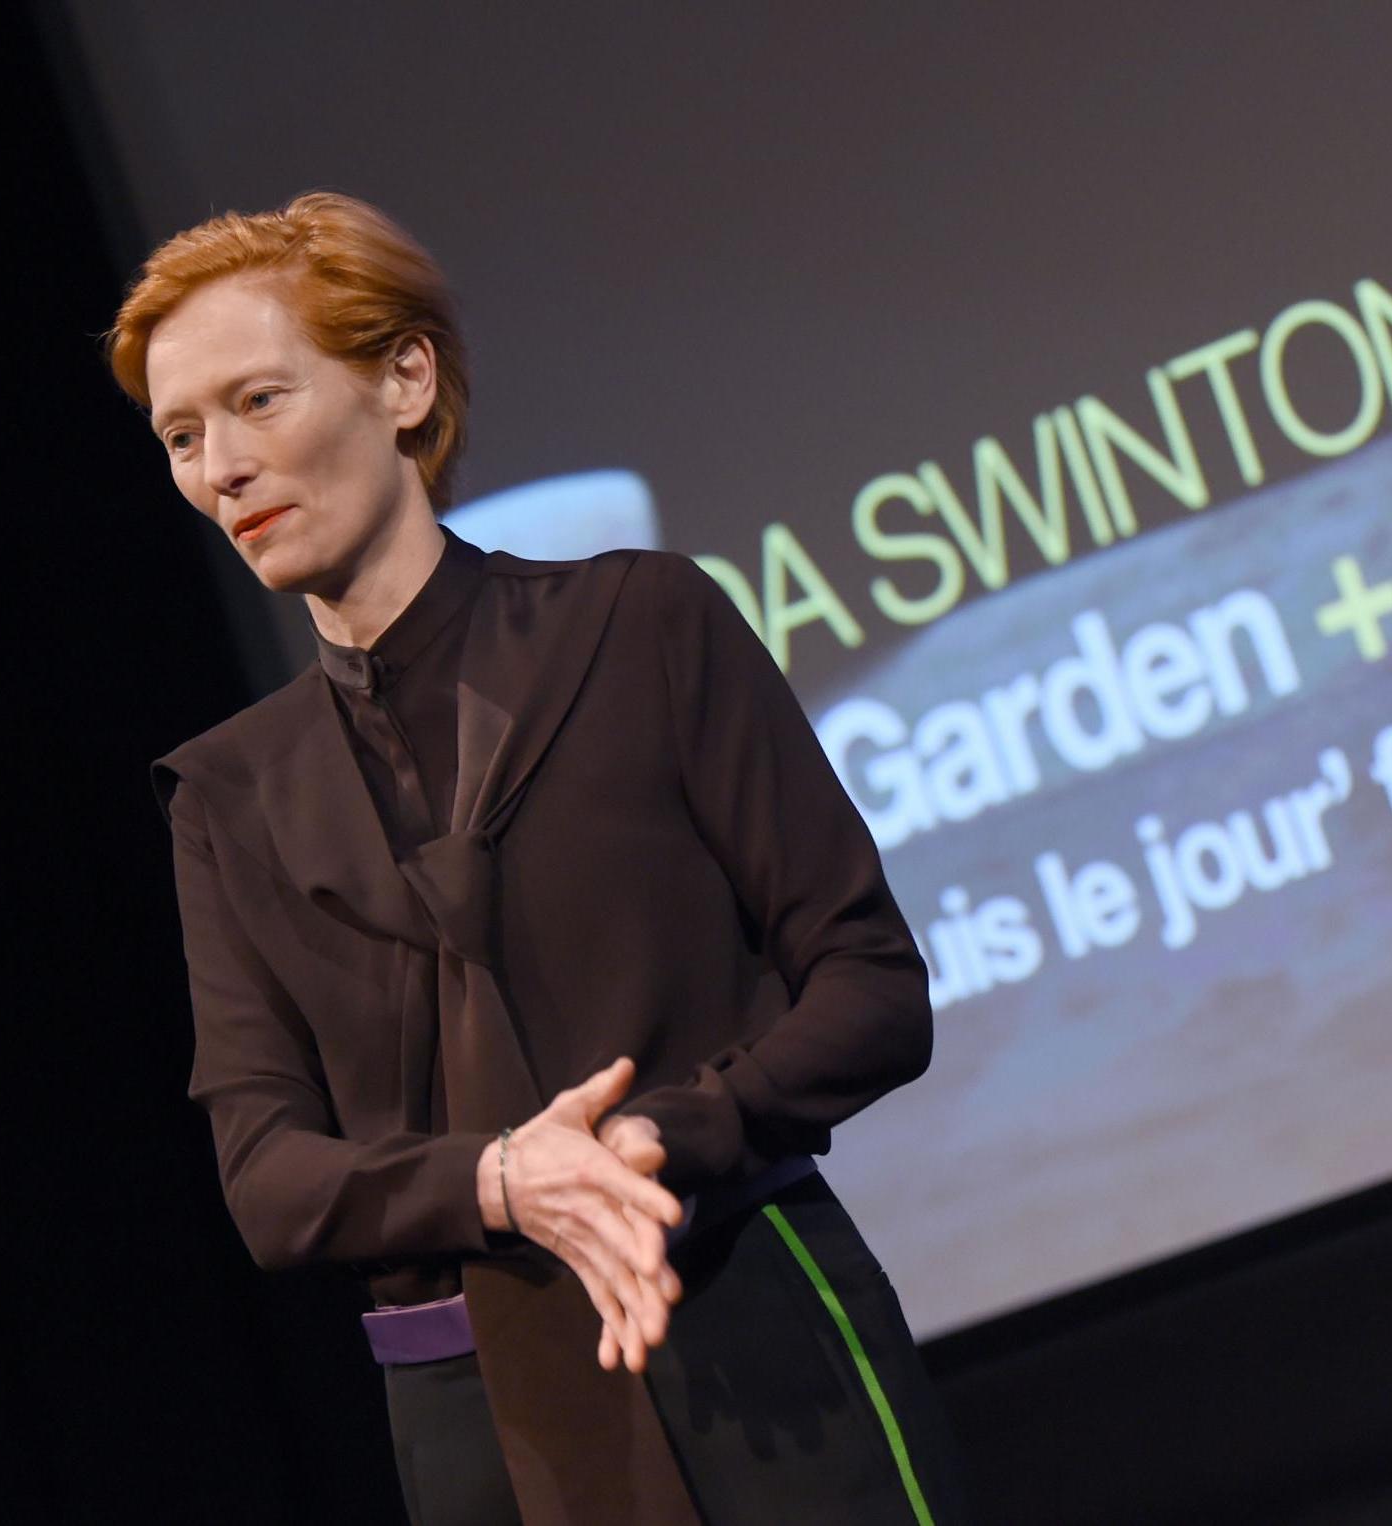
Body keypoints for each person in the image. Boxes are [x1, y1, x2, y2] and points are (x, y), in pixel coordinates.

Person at [105, 190, 970, 1525]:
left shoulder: (640, 628)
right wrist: (501, 1180)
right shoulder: (230, 798)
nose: (220, 466)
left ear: (404, 380)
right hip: (482, 1430)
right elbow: (268, 1177)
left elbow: (869, 984)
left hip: (749, 1320)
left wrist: (657, 1138)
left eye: (257, 401)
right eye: (180, 434)